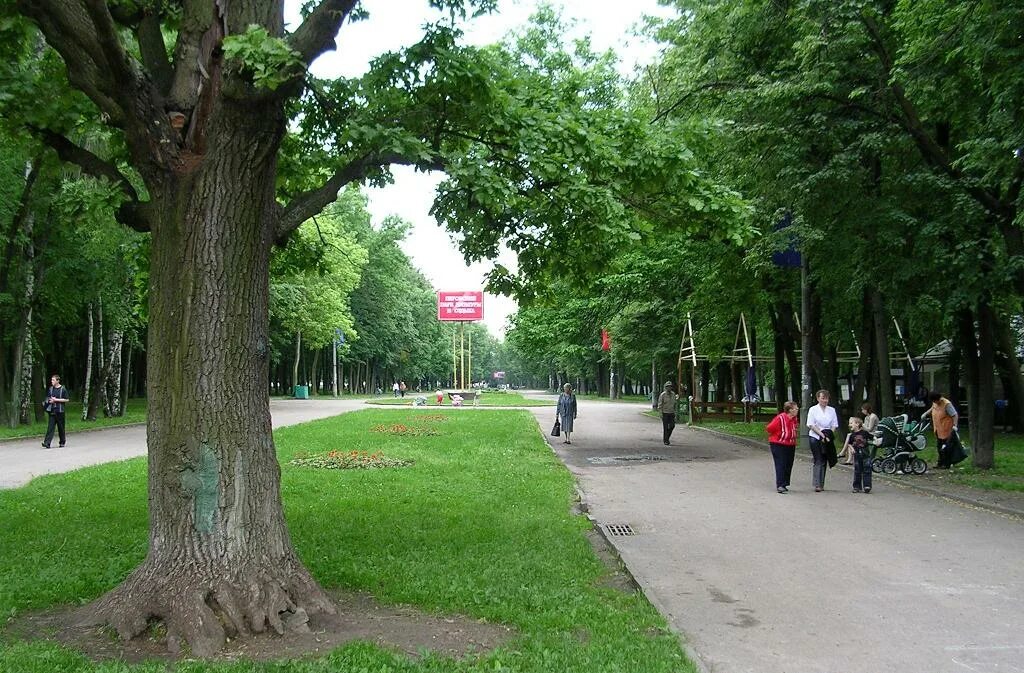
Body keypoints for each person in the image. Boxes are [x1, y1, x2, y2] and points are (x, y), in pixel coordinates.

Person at [806, 389, 839, 492]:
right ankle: (817, 484)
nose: (825, 400)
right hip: (815, 436)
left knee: (824, 459)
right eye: (823, 398)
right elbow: (811, 424)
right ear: (818, 398)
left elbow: (834, 425)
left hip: (827, 437)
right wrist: (821, 435)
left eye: (827, 398)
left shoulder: (831, 410)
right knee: (818, 459)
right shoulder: (813, 409)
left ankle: (821, 483)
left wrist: (829, 435)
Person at [765, 401, 799, 493]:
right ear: (790, 410)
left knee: (788, 463)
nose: (797, 410)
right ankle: (780, 485)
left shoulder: (794, 419)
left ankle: (784, 483)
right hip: (778, 444)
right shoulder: (780, 418)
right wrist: (779, 434)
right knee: (781, 463)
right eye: (796, 408)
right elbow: (769, 428)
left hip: (790, 444)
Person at [921, 391, 958, 468]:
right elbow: (932, 408)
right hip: (938, 429)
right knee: (939, 447)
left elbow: (955, 415)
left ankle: (946, 463)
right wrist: (926, 413)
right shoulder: (935, 402)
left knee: (946, 447)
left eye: (935, 401)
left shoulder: (947, 404)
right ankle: (940, 462)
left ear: (938, 399)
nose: (934, 402)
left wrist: (955, 425)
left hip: (946, 429)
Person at [846, 416, 874, 493]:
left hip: (866, 454)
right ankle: (856, 486)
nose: (849, 425)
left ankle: (867, 486)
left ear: (857, 424)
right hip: (857, 455)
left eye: (851, 423)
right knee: (857, 470)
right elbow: (849, 444)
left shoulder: (864, 433)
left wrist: (876, 440)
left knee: (867, 470)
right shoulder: (852, 435)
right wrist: (852, 449)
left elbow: (872, 438)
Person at [41, 374, 70, 449]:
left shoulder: (63, 389)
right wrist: (49, 401)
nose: (52, 381)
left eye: (53, 380)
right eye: (51, 380)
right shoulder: (51, 389)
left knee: (61, 427)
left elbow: (67, 399)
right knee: (50, 427)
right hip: (52, 411)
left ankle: (62, 442)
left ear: (57, 381)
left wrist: (56, 400)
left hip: (60, 411)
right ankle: (47, 443)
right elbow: (48, 397)